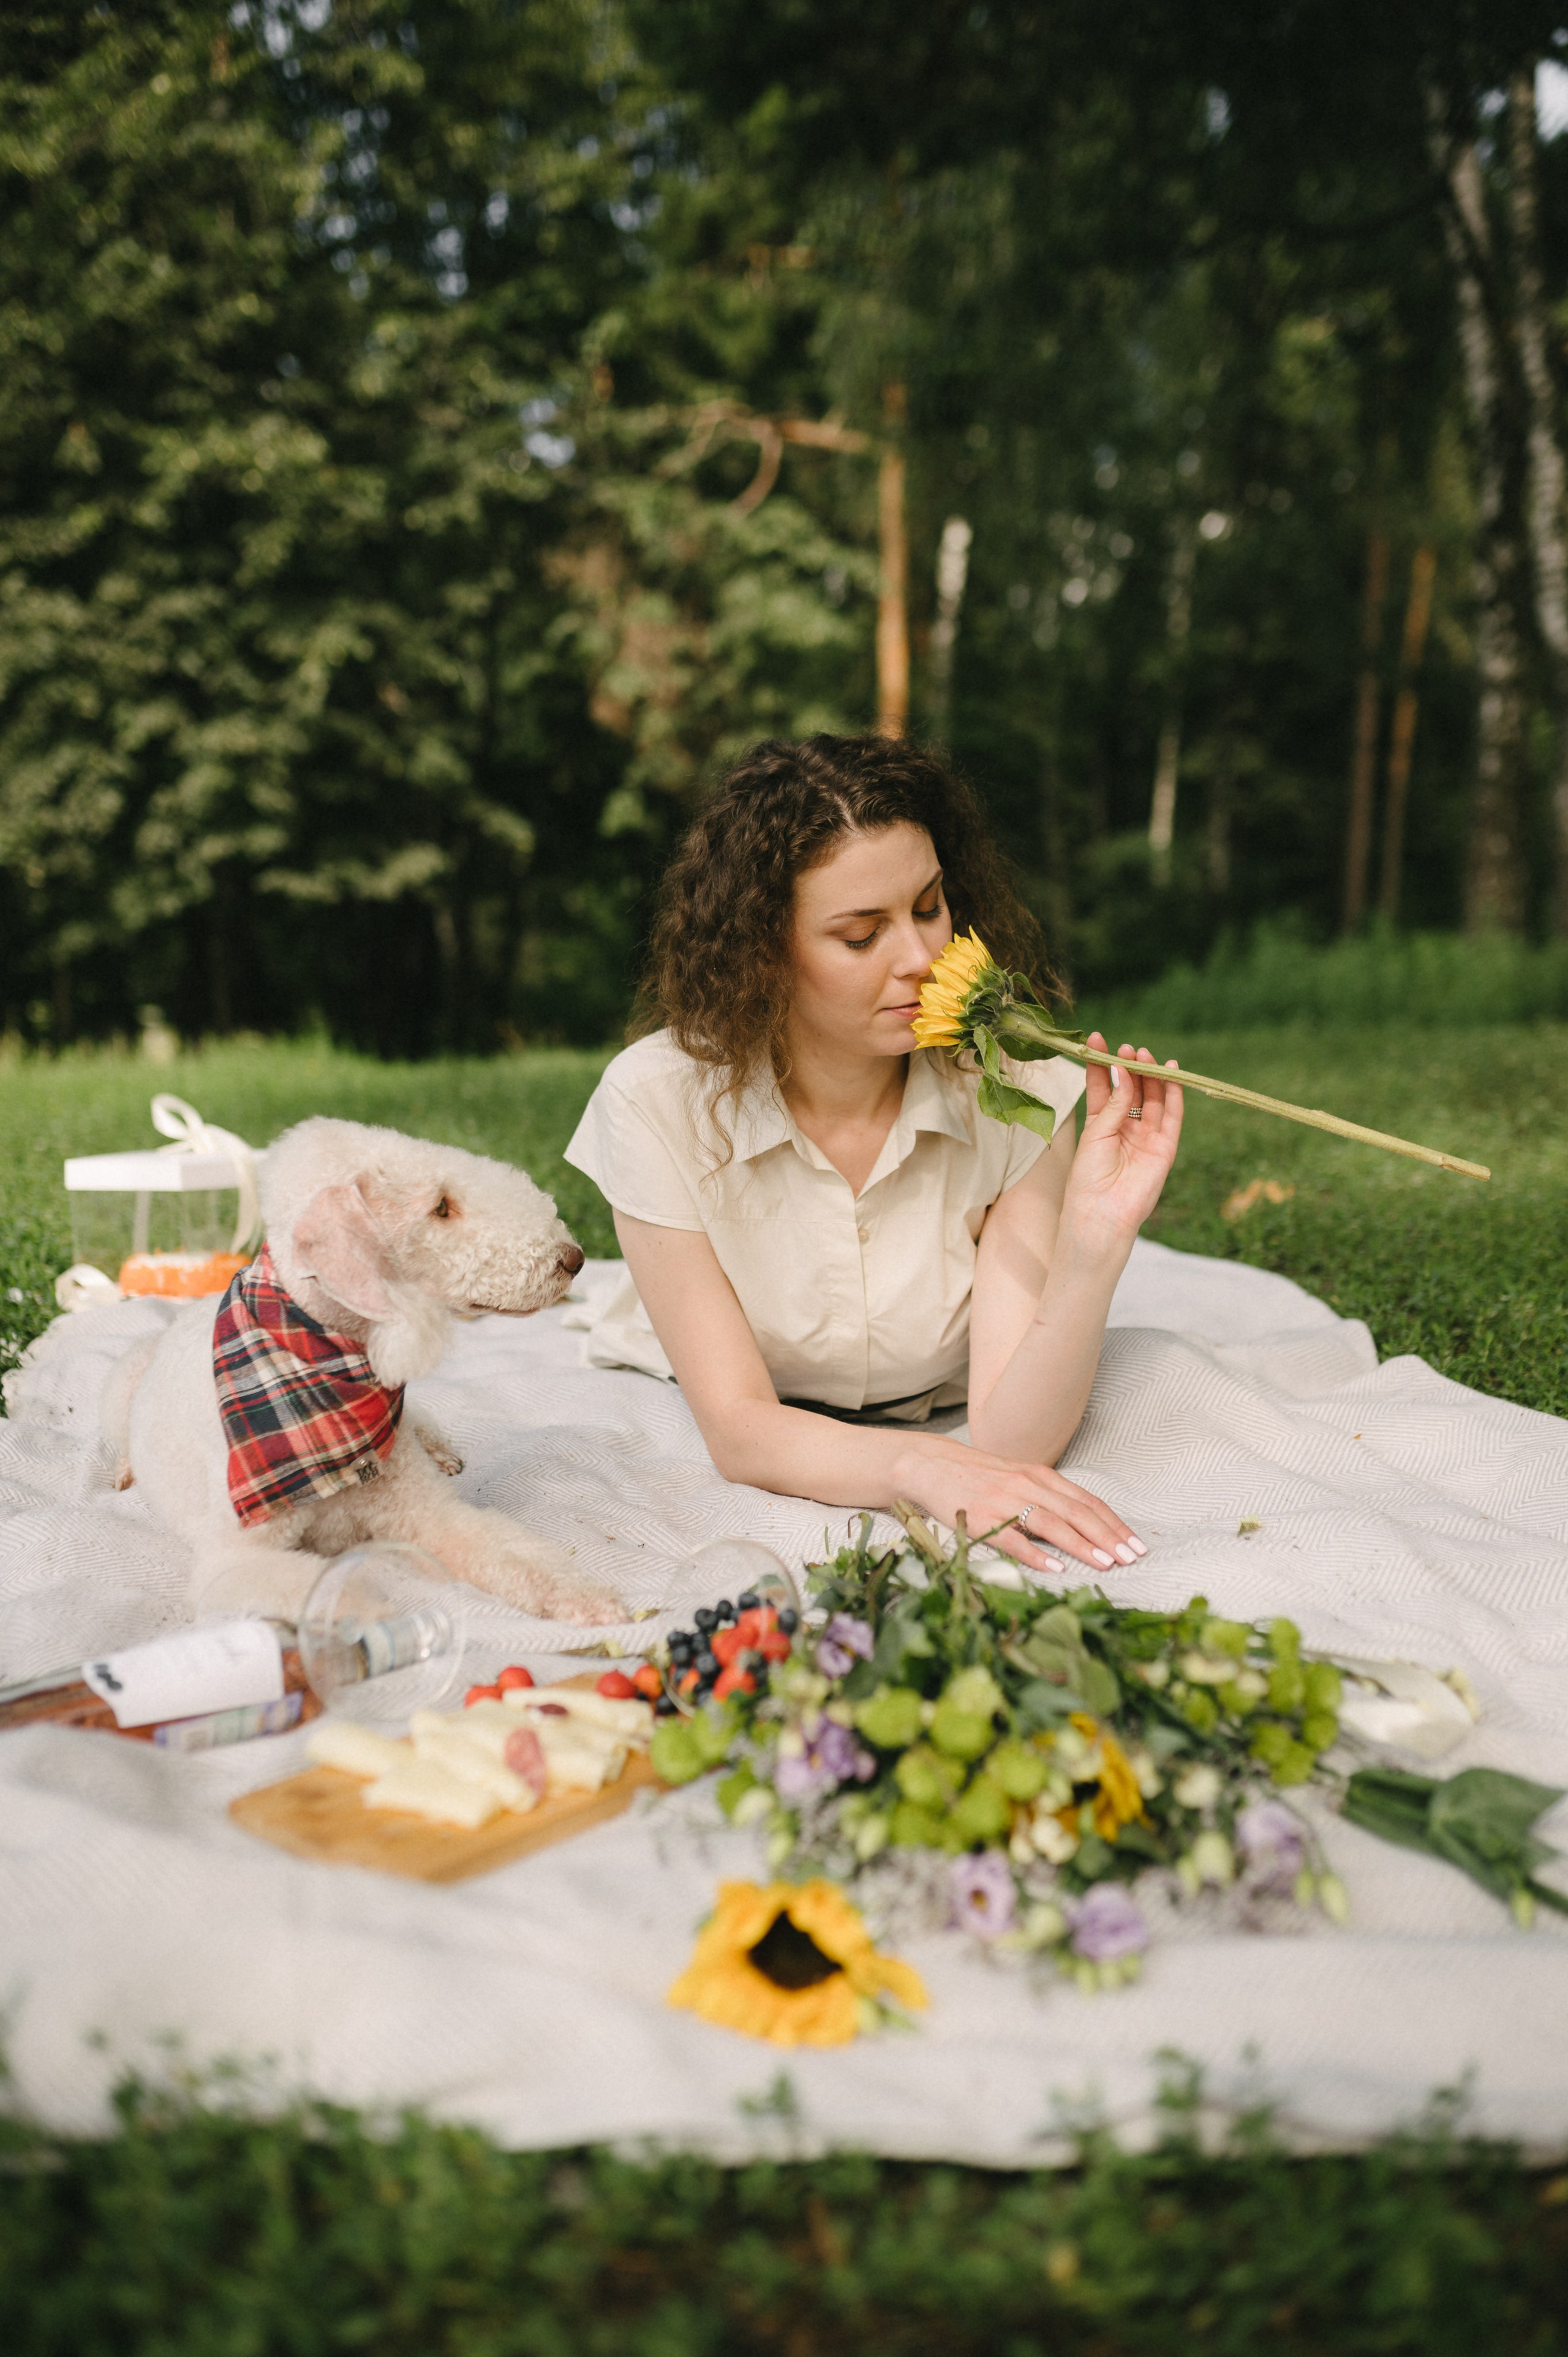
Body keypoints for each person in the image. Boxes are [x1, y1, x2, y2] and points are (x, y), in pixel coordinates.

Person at [564, 734, 1183, 1575]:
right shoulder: (656, 1100)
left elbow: (1011, 1438)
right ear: (763, 953)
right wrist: (916, 1466)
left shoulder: (1022, 1090)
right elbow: (742, 1428)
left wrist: (1095, 1243)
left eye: (930, 907)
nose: (924, 961)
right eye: (861, 937)